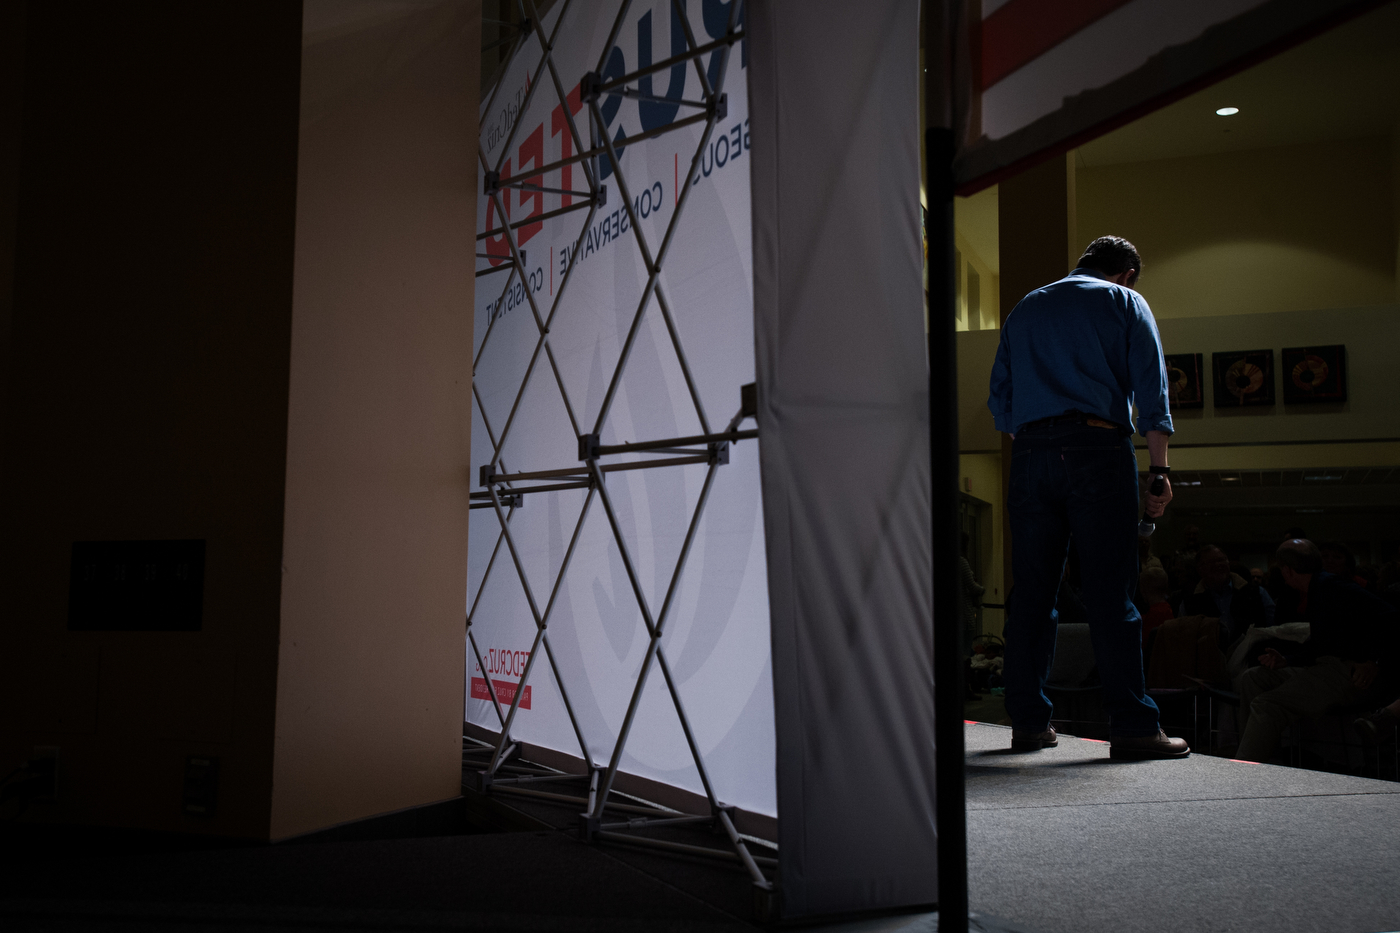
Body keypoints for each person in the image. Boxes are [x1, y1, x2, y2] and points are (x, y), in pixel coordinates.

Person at [987, 235, 1186, 760]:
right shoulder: (1125, 301)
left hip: (1030, 453)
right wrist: (1160, 470)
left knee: (1031, 594)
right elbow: (1152, 391)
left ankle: (1028, 724)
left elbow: (1000, 398)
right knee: (1110, 594)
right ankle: (1134, 727)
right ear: (1124, 274)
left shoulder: (1027, 306)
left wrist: (1038, 439)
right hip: (1099, 449)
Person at [1234, 539, 1399, 763]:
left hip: (1348, 671)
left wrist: (1375, 662)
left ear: (1287, 570)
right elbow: (1325, 642)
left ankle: (1246, 773)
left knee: (1268, 704)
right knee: (1253, 678)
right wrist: (1287, 660)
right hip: (1330, 666)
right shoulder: (1317, 589)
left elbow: (1390, 618)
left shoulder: (1334, 587)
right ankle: (1266, 763)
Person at [1178, 545, 1274, 647]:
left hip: (1255, 659)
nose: (1219, 565)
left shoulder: (1256, 593)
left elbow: (1273, 629)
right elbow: (1184, 639)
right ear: (1200, 569)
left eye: (1221, 560)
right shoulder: (1191, 602)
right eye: (1212, 562)